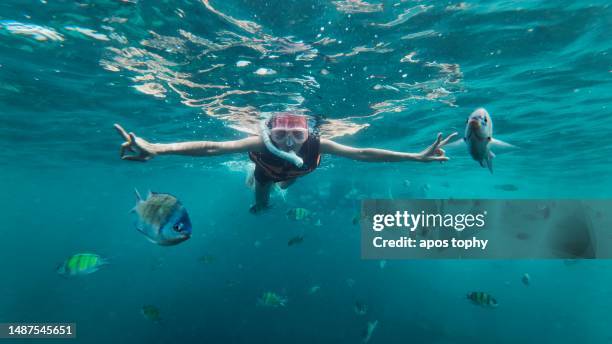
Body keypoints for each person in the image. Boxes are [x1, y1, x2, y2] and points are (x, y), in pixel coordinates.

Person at [114, 113, 457, 213]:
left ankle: (273, 188)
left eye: (297, 135)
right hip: (267, 172)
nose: (290, 142)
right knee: (262, 196)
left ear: (308, 133)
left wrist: (417, 157)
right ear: (269, 133)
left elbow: (364, 154)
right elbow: (212, 147)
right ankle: (255, 189)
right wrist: (158, 147)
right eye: (281, 135)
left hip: (298, 174)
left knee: (288, 184)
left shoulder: (319, 144)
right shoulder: (258, 144)